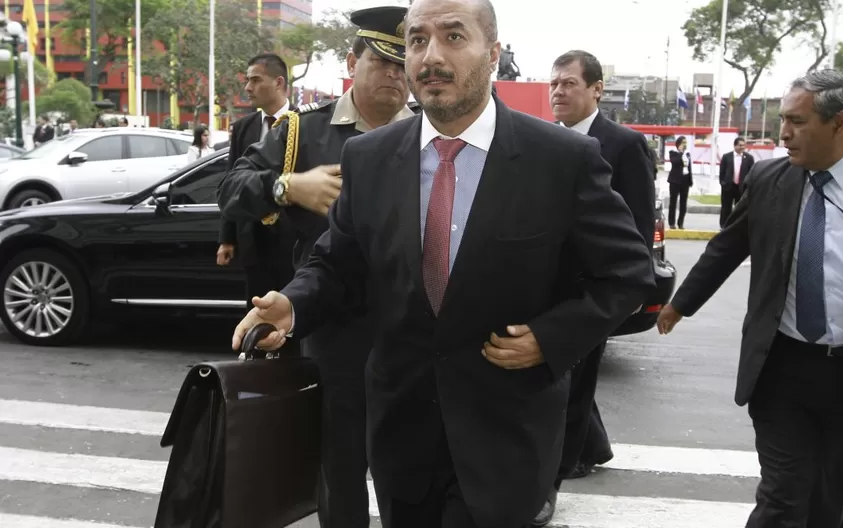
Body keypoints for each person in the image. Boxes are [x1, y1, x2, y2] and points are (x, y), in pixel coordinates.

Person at [229, 0, 656, 526]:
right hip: (402, 433)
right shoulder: (370, 159)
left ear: (493, 53)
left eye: (453, 37)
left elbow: (629, 273)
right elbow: (338, 265)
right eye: (417, 40)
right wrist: (290, 306)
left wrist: (550, 338)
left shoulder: (562, 159)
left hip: (506, 436)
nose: (430, 56)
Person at [656, 70, 843, 527]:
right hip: (781, 368)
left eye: (796, 121)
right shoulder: (770, 179)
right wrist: (680, 303)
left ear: (840, 123)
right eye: (783, 119)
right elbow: (728, 245)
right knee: (784, 495)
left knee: (830, 497)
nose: (783, 133)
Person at [216, 8, 413, 528]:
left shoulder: (429, 133)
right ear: (353, 61)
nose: (395, 75)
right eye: (382, 62)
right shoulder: (304, 131)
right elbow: (230, 190)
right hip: (334, 325)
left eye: (403, 65)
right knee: (341, 462)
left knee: (409, 463)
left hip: (412, 324)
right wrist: (287, 186)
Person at [539, 48, 656, 527]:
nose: (559, 92)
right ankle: (591, 447)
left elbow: (639, 223)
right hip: (544, 285)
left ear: (596, 90)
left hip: (592, 290)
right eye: (554, 85)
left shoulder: (623, 144)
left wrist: (625, 290)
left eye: (569, 83)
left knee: (571, 386)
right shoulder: (545, 141)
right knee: (567, 383)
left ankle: (551, 481)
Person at [216, 53, 294, 317]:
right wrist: (227, 239)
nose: (248, 88)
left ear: (278, 82)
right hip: (253, 239)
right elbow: (231, 182)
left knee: (292, 313)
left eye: (255, 80)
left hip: (293, 240)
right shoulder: (243, 128)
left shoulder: (305, 123)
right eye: (247, 80)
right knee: (257, 312)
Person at [718, 136, 754, 228]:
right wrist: (723, 183)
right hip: (728, 186)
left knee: (739, 208)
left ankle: (736, 226)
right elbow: (722, 171)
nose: (742, 147)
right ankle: (724, 225)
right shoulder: (727, 157)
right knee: (726, 207)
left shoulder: (749, 158)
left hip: (741, 187)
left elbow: (751, 172)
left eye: (744, 145)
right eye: (740, 145)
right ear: (735, 146)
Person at [667, 135, 692, 229]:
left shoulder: (688, 155)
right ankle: (671, 223)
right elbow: (675, 162)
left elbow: (689, 168)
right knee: (673, 202)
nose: (685, 145)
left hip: (685, 181)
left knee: (683, 203)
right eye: (683, 143)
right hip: (675, 181)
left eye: (686, 143)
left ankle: (680, 223)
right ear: (678, 144)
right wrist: (681, 152)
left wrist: (690, 180)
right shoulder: (673, 153)